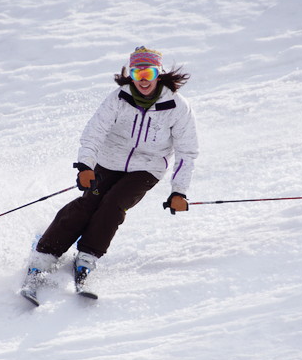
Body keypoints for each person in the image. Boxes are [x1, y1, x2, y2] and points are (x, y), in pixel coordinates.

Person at [21, 46, 199, 303]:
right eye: (138, 73)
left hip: (147, 167)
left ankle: (87, 258)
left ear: (158, 74)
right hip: (108, 160)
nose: (144, 79)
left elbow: (187, 152)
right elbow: (94, 131)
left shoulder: (177, 107)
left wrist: (179, 191)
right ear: (132, 75)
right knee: (88, 202)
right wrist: (85, 166)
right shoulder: (118, 98)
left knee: (113, 205)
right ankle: (43, 257)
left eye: (149, 72)